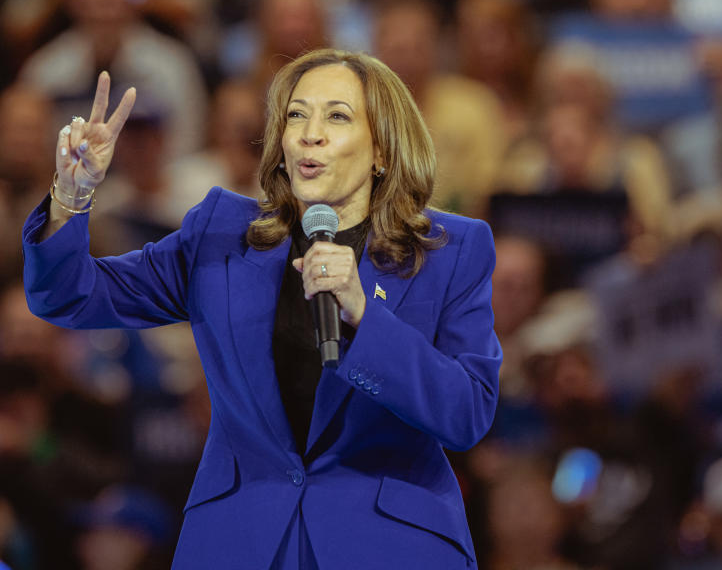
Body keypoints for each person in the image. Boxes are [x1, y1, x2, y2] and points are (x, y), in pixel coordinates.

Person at [21, 49, 502, 569]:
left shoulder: (448, 251)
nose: (309, 133)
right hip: (240, 543)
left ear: (382, 148)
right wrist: (70, 198)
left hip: (387, 547)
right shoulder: (221, 235)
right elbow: (68, 295)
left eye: (336, 116)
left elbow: (466, 414)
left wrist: (365, 315)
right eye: (297, 115)